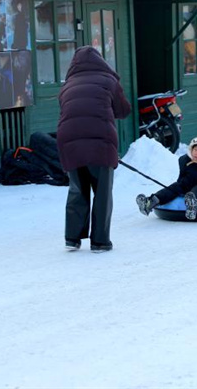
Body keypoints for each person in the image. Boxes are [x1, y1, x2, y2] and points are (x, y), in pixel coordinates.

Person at [56, 46, 131, 253]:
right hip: (100, 141)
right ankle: (100, 242)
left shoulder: (67, 85)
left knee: (77, 189)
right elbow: (124, 110)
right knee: (102, 192)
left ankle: (72, 238)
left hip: (68, 140)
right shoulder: (109, 81)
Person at [136, 134, 197, 220]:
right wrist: (178, 188)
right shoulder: (185, 161)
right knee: (175, 187)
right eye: (196, 149)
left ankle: (194, 205)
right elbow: (182, 177)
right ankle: (151, 202)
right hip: (190, 183)